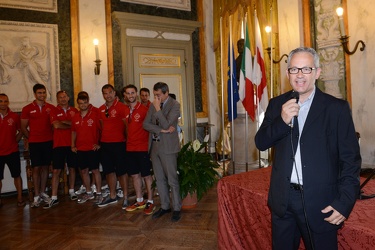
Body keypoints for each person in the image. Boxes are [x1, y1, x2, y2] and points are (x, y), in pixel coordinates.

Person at [254, 47, 361, 250]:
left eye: (306, 69)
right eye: (294, 69)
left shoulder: (336, 108)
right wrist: (282, 121)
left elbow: (350, 161)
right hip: (283, 202)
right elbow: (260, 143)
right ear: (288, 74)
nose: (300, 75)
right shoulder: (278, 104)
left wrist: (345, 202)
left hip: (321, 203)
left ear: (317, 73)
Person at [143, 82, 182, 222]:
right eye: (154, 95)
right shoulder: (153, 105)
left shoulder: (175, 105)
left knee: (172, 179)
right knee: (159, 179)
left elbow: (168, 124)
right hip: (155, 146)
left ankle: (176, 208)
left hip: (168, 148)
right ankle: (165, 206)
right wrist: (160, 130)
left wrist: (158, 109)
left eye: (158, 95)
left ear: (166, 93)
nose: (155, 98)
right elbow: (145, 124)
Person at [123, 85, 155, 215]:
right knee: (135, 175)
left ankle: (150, 201)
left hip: (142, 148)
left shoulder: (144, 110)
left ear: (136, 94)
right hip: (130, 148)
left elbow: (152, 127)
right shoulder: (125, 110)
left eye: (132, 93)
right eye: (128, 93)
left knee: (146, 175)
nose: (130, 95)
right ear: (125, 95)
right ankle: (139, 200)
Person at [43, 90, 79, 209]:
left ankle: (72, 191)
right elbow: (56, 125)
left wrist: (65, 122)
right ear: (57, 99)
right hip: (58, 145)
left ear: (68, 97)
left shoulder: (74, 110)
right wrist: (70, 124)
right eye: (60, 97)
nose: (63, 99)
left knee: (73, 168)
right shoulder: (53, 110)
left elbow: (77, 125)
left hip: (72, 144)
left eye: (65, 96)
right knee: (56, 171)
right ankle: (54, 197)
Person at [21, 83, 54, 208]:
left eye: (44, 92)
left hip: (48, 141)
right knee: (36, 168)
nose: (42, 95)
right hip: (35, 143)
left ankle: (42, 192)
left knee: (45, 167)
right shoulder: (27, 108)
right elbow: (23, 127)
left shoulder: (50, 108)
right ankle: (36, 195)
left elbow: (54, 125)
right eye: (39, 93)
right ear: (35, 94)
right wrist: (31, 138)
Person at [97, 84, 129, 208]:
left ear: (114, 93)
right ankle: (112, 195)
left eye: (110, 92)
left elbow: (126, 127)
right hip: (105, 144)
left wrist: (126, 141)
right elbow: (101, 127)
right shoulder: (100, 109)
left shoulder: (122, 107)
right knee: (109, 171)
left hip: (119, 144)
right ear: (103, 95)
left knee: (122, 172)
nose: (108, 95)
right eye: (105, 93)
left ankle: (125, 197)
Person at [71, 92, 102, 204]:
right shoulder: (75, 117)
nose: (83, 105)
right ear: (78, 104)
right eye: (81, 103)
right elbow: (73, 132)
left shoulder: (94, 116)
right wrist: (72, 145)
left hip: (92, 149)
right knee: (83, 171)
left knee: (95, 170)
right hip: (80, 149)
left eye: (85, 103)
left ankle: (98, 193)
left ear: (88, 103)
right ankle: (89, 192)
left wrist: (99, 144)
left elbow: (102, 129)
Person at [0, 93, 24, 207]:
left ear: (8, 102)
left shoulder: (14, 116)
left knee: (17, 175)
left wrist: (15, 141)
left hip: (12, 151)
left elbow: (21, 130)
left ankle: (20, 198)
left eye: (5, 101)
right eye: (1, 101)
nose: (3, 103)